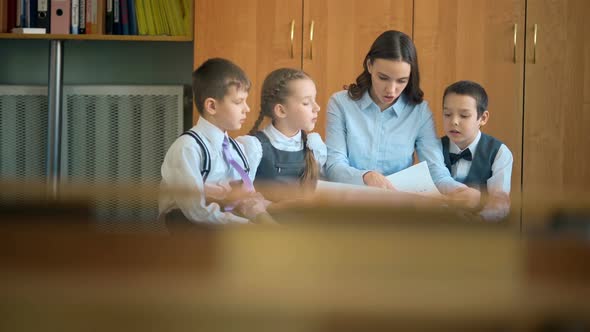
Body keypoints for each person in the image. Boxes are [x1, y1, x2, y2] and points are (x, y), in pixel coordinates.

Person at [325, 30, 480, 207]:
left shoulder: (419, 112)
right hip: (349, 206)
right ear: (369, 66)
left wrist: (459, 190)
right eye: (383, 78)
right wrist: (366, 177)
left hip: (397, 209)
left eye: (401, 81)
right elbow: (334, 166)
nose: (391, 90)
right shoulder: (340, 103)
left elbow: (435, 170)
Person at [159, 58, 272, 227]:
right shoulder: (187, 148)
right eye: (238, 102)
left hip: (224, 220)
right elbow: (196, 211)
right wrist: (248, 226)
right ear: (212, 106)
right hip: (189, 227)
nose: (247, 109)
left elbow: (242, 197)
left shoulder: (238, 149)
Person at [237, 68, 326, 201]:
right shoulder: (253, 147)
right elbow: (243, 199)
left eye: (315, 99)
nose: (317, 107)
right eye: (306, 102)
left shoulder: (314, 146)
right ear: (281, 110)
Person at [441, 80, 513, 221]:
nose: (454, 121)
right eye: (447, 114)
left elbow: (500, 204)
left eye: (464, 115)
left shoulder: (498, 152)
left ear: (483, 118)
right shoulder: (434, 148)